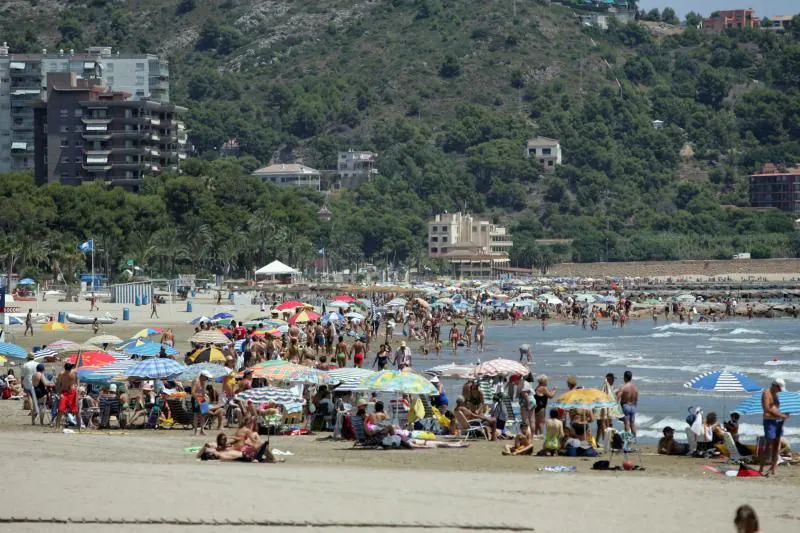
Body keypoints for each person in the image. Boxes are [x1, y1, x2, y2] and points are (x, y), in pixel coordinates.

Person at [760, 378, 789, 476]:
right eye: (779, 389)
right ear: (774, 386)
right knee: (769, 444)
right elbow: (767, 408)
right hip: (769, 421)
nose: (780, 391)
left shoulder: (775, 395)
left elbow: (776, 408)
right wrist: (780, 415)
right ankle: (761, 468)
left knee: (777, 445)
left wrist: (783, 415)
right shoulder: (766, 393)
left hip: (778, 421)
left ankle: (773, 468)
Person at [55, 362, 80, 430]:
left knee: (76, 411)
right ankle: (57, 427)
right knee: (60, 410)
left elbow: (78, 380)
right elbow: (57, 384)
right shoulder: (61, 374)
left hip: (72, 392)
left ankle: (79, 427)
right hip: (64, 393)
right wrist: (60, 393)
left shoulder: (74, 373)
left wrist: (77, 386)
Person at [617, 370, 639, 438]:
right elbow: (636, 398)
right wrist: (634, 406)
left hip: (626, 406)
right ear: (631, 377)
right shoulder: (635, 387)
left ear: (625, 377)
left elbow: (617, 398)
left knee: (626, 423)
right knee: (632, 424)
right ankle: (634, 439)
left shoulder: (623, 387)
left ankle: (626, 439)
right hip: (633, 406)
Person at [191, 371, 211, 436]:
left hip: (201, 398)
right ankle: (195, 431)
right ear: (202, 376)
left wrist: (204, 398)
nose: (207, 379)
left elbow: (203, 392)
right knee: (196, 415)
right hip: (196, 398)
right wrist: (197, 400)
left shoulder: (203, 382)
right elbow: (193, 392)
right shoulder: (196, 381)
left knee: (203, 414)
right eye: (206, 377)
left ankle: (202, 430)